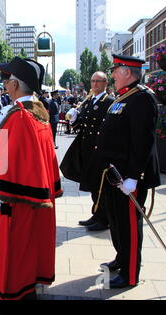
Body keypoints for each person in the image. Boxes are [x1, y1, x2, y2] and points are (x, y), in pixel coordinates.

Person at [0, 57, 62, 300]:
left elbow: (11, 161)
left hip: (16, 197)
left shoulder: (20, 115)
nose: (4, 85)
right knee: (31, 245)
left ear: (14, 84)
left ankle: (13, 290)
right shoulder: (39, 111)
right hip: (34, 192)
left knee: (13, 248)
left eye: (7, 81)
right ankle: (28, 284)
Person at [93, 55, 160, 289]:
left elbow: (142, 142)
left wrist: (134, 176)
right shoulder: (123, 97)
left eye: (116, 70)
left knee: (129, 225)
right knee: (117, 221)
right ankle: (121, 258)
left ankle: (131, 274)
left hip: (129, 177)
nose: (112, 75)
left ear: (128, 72)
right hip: (114, 175)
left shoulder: (142, 98)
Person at [60, 71, 114, 232]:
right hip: (87, 149)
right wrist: (75, 119)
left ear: (105, 83)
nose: (95, 84)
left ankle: (103, 219)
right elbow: (82, 126)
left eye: (98, 81)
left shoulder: (109, 101)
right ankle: (96, 214)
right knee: (92, 184)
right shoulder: (89, 100)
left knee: (100, 186)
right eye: (93, 81)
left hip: (99, 150)